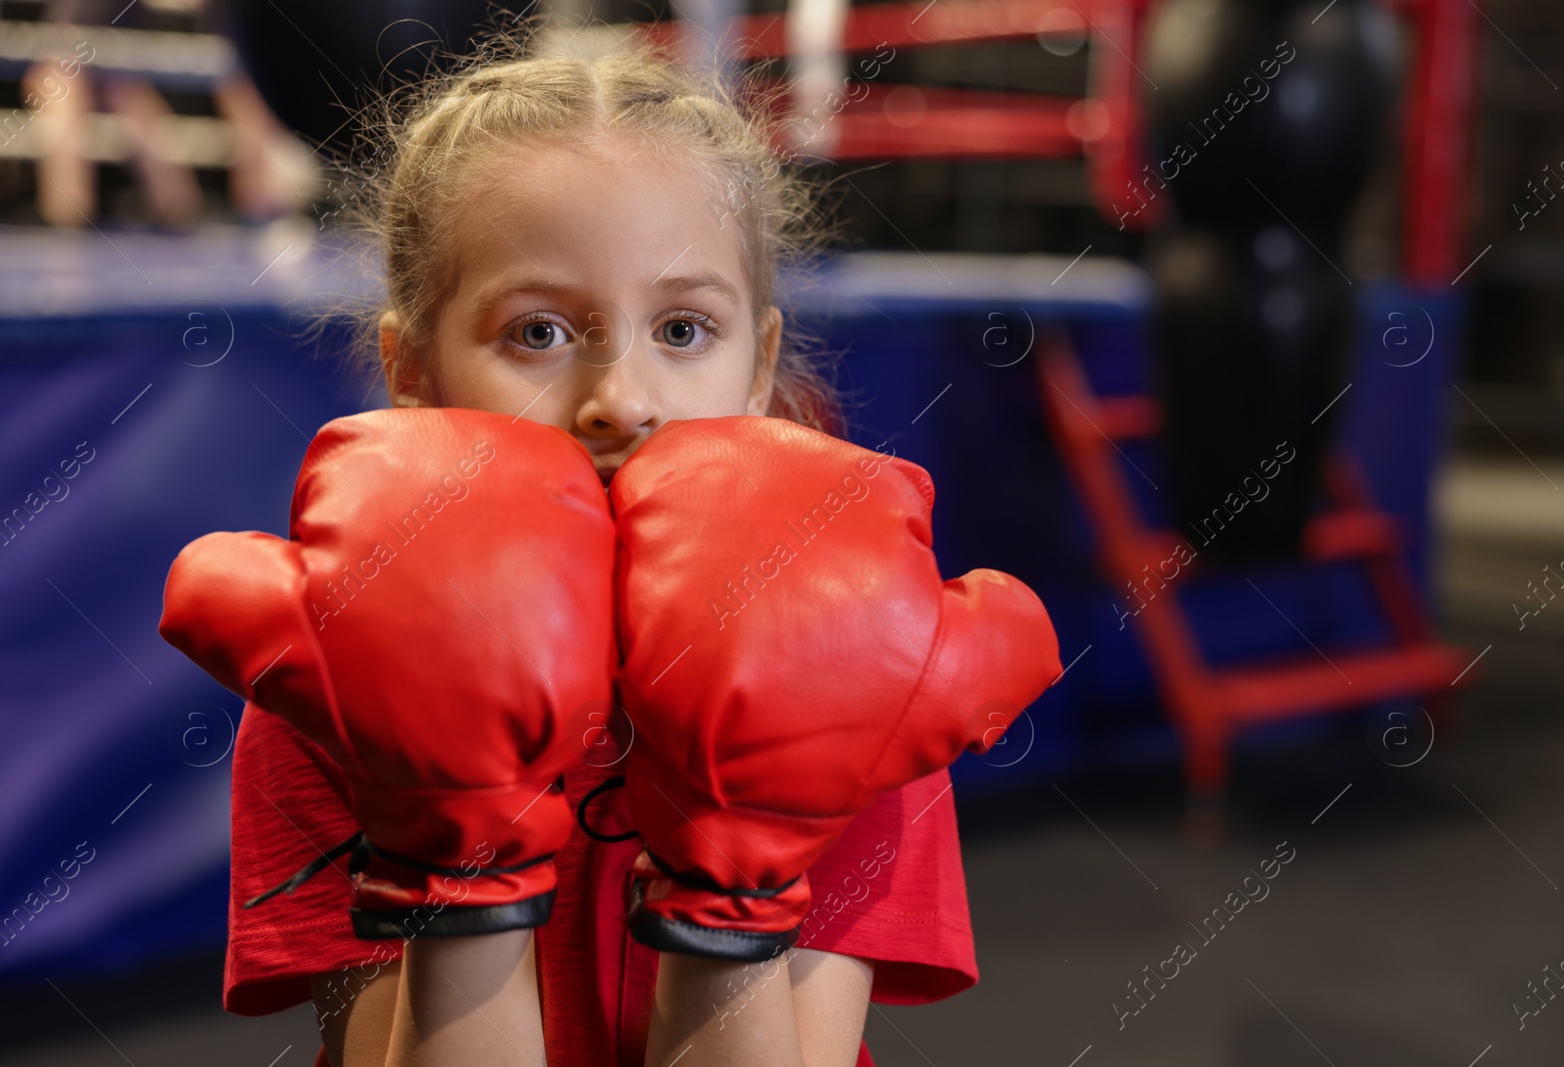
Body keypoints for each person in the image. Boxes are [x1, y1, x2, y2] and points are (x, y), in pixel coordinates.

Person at [218, 28, 991, 1067]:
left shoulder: (863, 661)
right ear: (412, 368)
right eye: (537, 332)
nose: (620, 400)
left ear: (757, 366)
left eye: (681, 331)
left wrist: (738, 865)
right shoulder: (337, 682)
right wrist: (457, 852)